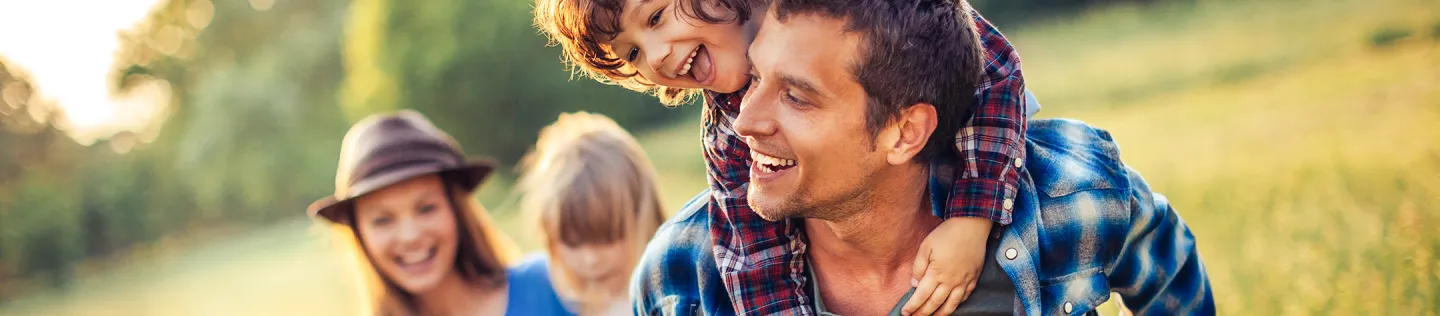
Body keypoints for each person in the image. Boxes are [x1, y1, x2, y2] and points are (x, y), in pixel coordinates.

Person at [630, 0, 1216, 315]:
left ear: (905, 130)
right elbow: (745, 252)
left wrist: (975, 213)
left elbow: (996, 70)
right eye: (752, 80)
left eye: (796, 95)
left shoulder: (1074, 198)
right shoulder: (681, 278)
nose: (744, 122)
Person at [534, 0, 1037, 313]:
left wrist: (973, 219)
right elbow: (756, 261)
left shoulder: (847, 15)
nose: (658, 55)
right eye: (633, 54)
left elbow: (993, 67)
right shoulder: (728, 135)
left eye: (657, 17)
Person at [307, 110, 571, 316]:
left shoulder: (552, 286)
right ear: (360, 235)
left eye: (426, 208)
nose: (410, 236)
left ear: (457, 211)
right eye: (382, 220)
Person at [515, 112, 668, 315]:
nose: (591, 259)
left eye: (608, 237)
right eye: (572, 242)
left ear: (643, 216)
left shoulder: (677, 297)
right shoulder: (551, 296)